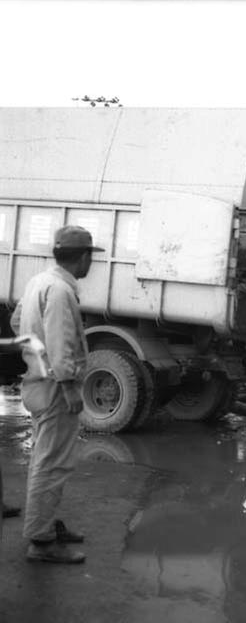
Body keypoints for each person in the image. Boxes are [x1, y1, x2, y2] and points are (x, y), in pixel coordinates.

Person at [10, 225, 104, 564]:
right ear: (83, 257)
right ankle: (41, 540)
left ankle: (46, 523)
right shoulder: (62, 290)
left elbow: (18, 321)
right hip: (54, 389)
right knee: (52, 464)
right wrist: (68, 386)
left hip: (37, 382)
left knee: (45, 459)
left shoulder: (40, 281)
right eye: (91, 256)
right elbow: (62, 342)